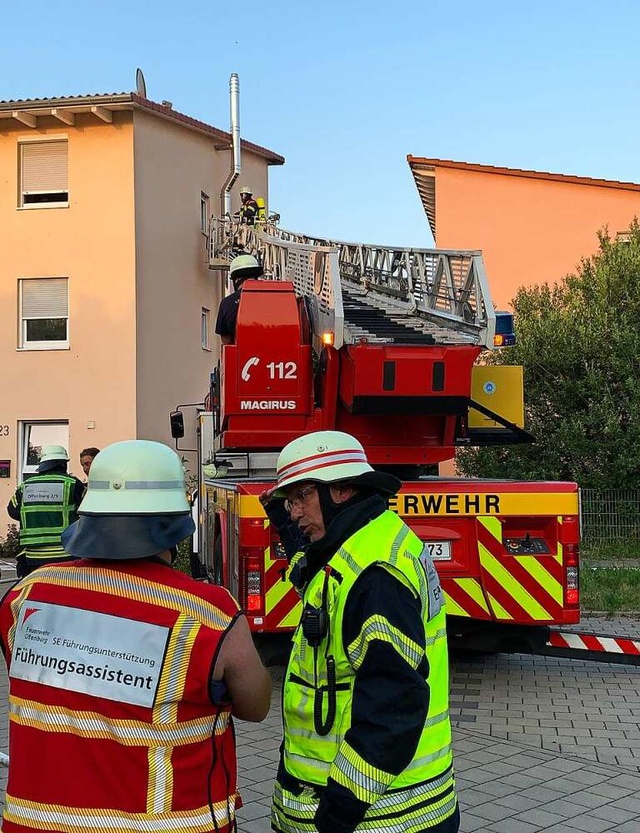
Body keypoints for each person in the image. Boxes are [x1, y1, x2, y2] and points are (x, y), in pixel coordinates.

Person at [0, 439, 270, 833]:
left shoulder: (23, 597)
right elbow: (257, 705)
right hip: (165, 823)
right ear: (174, 527)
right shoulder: (208, 612)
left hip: (35, 823)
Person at [265, 430, 460, 833]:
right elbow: (314, 573)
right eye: (291, 501)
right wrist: (284, 520)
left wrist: (336, 815)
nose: (295, 512)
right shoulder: (364, 537)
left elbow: (393, 709)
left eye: (301, 497)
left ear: (341, 490)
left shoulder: (375, 578)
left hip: (383, 818)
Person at [7, 444, 85, 579]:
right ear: (63, 464)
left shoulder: (25, 486)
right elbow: (88, 511)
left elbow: (13, 511)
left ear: (42, 464)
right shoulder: (73, 484)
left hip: (33, 557)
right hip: (65, 555)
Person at [215, 253, 263, 345]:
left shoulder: (227, 303)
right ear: (256, 276)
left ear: (236, 279)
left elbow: (226, 341)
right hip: (280, 358)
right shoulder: (277, 297)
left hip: (243, 358)